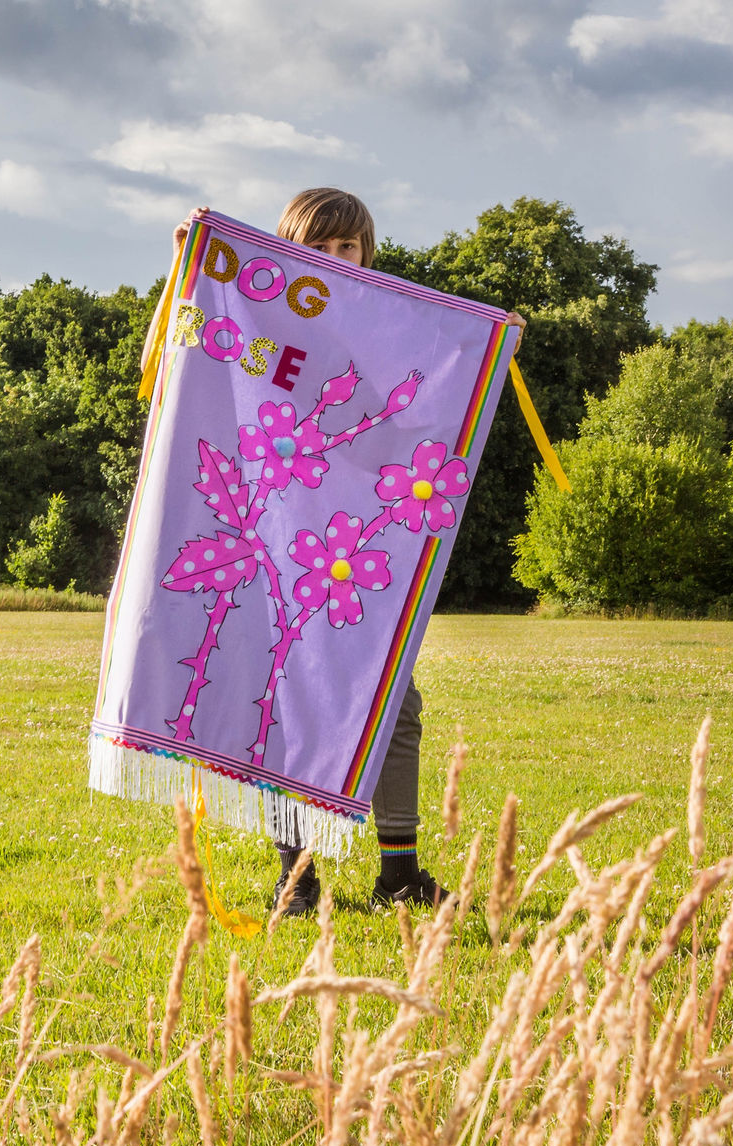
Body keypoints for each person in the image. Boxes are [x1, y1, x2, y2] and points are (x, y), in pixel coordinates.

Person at [164, 188, 523, 917]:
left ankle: (400, 872)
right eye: (318, 247)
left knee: (394, 702)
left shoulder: (386, 328)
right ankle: (296, 877)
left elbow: (420, 401)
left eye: (347, 247)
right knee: (285, 706)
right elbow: (191, 350)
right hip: (277, 540)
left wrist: (486, 344)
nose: (334, 259)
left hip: (356, 548)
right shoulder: (259, 317)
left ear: (366, 252)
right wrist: (190, 263)